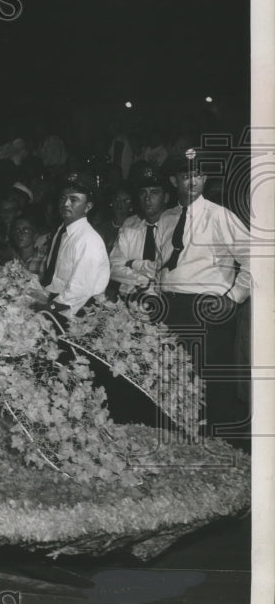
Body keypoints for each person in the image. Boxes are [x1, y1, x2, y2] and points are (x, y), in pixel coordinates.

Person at [157, 149, 252, 446]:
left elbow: (255, 257)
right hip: (172, 305)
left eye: (198, 175)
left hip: (207, 307)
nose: (193, 181)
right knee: (175, 378)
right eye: (186, 176)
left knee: (211, 383)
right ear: (175, 181)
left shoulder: (219, 215)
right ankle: (181, 440)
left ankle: (219, 445)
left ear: (205, 178)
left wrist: (235, 295)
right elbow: (162, 264)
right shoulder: (167, 218)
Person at [33, 171, 110, 317]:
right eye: (63, 198)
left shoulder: (89, 240)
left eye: (74, 199)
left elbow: (79, 291)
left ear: (87, 207)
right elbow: (54, 280)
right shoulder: (61, 231)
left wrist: (47, 309)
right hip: (56, 302)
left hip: (77, 313)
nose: (65, 203)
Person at [108, 163, 174, 302]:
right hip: (128, 300)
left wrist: (133, 264)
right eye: (143, 192)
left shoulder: (175, 227)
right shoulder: (130, 224)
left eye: (154, 192)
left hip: (165, 302)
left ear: (166, 198)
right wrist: (145, 282)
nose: (147, 198)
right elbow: (113, 267)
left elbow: (168, 271)